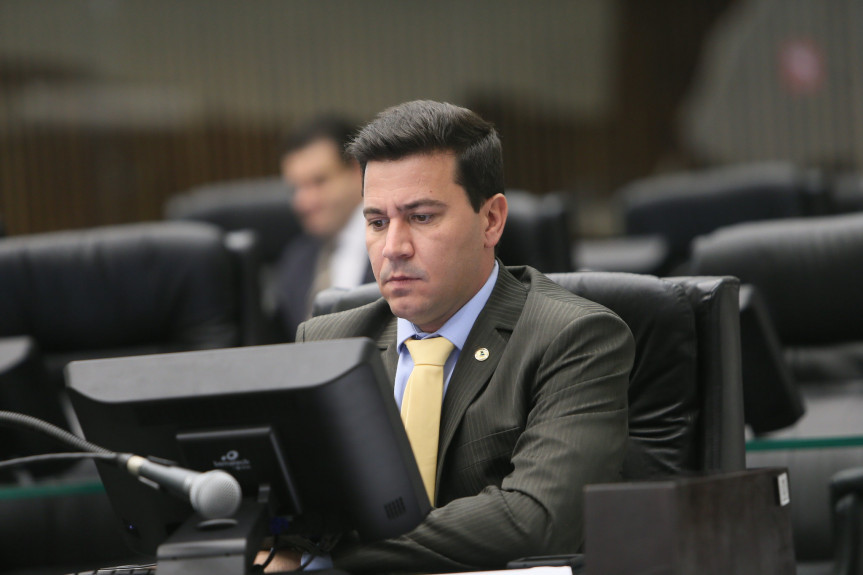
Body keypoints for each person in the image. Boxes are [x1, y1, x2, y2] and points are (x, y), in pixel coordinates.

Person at [263, 100, 634, 573]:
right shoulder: (327, 345)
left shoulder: (575, 337)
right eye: (377, 222)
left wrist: (329, 550)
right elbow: (282, 514)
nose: (393, 247)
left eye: (421, 217)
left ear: (491, 220)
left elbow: (536, 519)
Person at [274, 115, 374, 341]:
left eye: (318, 182)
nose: (303, 202)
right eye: (296, 188)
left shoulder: (396, 243)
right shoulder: (295, 259)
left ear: (357, 171)